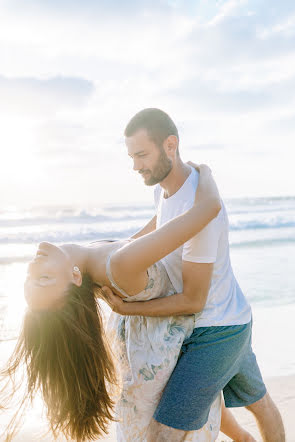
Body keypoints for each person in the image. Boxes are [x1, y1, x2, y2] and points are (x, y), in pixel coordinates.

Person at [0, 165, 249, 442]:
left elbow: (161, 227)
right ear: (74, 278)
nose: (34, 265)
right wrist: (204, 172)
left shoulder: (98, 258)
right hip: (184, 340)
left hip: (154, 355)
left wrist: (171, 194)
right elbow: (206, 210)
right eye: (44, 278)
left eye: (30, 276)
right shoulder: (117, 266)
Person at [105, 108, 285, 442]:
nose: (135, 166)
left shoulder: (198, 209)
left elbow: (192, 300)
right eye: (131, 156)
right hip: (226, 318)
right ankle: (244, 440)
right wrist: (113, 254)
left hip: (215, 329)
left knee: (171, 426)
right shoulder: (164, 190)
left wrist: (129, 309)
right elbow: (154, 230)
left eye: (142, 154)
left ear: (170, 145)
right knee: (257, 404)